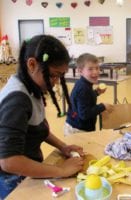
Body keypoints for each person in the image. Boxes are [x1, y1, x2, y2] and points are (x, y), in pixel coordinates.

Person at [0, 35, 85, 199]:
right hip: (10, 178)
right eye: (53, 75)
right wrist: (61, 170)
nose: (55, 82)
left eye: (60, 76)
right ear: (32, 64)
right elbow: (9, 161)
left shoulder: (31, 85)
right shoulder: (17, 100)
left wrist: (62, 146)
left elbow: (38, 127)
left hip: (25, 168)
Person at [65, 53, 113, 135]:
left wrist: (96, 92)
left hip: (76, 125)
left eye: (97, 68)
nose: (95, 72)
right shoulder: (83, 88)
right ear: (80, 71)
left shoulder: (84, 83)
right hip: (78, 130)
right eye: (90, 69)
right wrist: (102, 106)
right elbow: (84, 114)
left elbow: (86, 100)